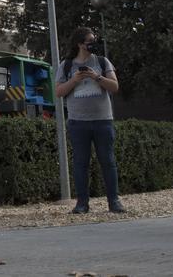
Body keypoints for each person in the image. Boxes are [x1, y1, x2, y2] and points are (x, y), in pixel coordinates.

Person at [55, 27, 124, 214]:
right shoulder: (66, 65)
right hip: (78, 122)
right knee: (80, 163)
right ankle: (82, 203)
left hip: (103, 120)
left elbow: (115, 86)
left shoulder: (102, 61)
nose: (93, 44)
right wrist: (75, 80)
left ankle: (114, 202)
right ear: (79, 44)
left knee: (108, 161)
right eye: (89, 41)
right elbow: (59, 92)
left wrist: (97, 76)